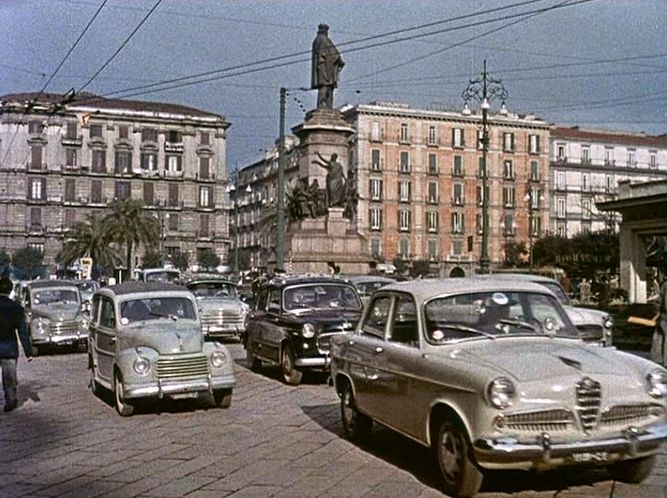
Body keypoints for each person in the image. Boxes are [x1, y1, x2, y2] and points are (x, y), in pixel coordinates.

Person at [0, 274, 33, 413]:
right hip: (8, 348)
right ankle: (10, 400)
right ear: (10, 290)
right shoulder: (16, 308)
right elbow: (23, 332)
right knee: (9, 377)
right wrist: (28, 352)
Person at [311, 24, 344, 109]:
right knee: (325, 86)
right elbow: (333, 54)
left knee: (327, 87)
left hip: (323, 67)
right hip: (325, 68)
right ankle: (324, 105)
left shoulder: (317, 40)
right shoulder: (324, 40)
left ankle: (325, 106)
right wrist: (339, 60)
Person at [651, 279, 667, 366]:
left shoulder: (665, 285)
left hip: (664, 318)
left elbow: (658, 302)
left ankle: (660, 361)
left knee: (660, 339)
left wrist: (657, 311)